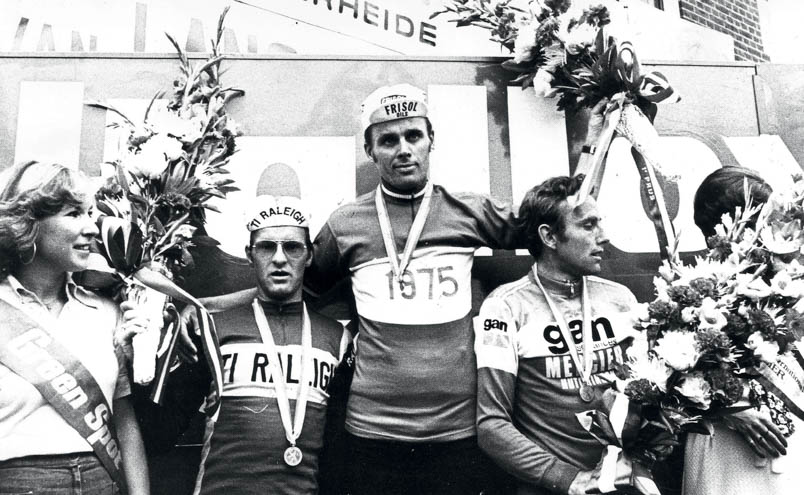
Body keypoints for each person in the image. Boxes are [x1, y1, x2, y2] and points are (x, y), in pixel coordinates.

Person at [474, 175, 639, 495]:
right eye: (589, 226)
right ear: (549, 236)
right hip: (555, 488)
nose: (603, 237)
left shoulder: (621, 299)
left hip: (623, 481)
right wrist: (567, 478)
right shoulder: (505, 306)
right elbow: (491, 426)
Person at [0, 161, 149, 494]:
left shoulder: (106, 311)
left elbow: (124, 423)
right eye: (74, 214)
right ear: (27, 224)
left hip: (101, 481)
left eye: (90, 213)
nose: (93, 228)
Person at [186, 195, 351, 494]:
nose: (279, 258)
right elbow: (160, 429)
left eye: (292, 247)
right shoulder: (212, 328)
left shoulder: (338, 339)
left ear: (310, 255)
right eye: (266, 247)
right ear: (249, 254)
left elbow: (340, 449)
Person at [684, 166, 800, 495]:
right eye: (761, 218)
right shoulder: (694, 291)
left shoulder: (791, 281)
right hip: (724, 447)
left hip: (790, 446)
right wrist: (730, 409)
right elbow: (668, 379)